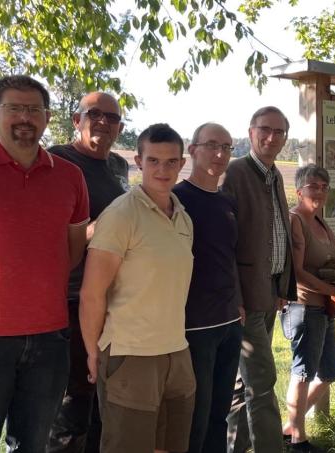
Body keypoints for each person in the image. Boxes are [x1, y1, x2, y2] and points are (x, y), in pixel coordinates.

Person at [0, 75, 89, 451]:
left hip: (49, 336)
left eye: (34, 109)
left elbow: (72, 249)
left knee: (33, 443)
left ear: (46, 117)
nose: (25, 117)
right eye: (15, 108)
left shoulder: (70, 176)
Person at [80, 123, 196, 452]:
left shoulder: (183, 217)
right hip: (131, 354)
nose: (163, 169)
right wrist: (93, 351)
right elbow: (92, 292)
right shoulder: (120, 215)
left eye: (171, 161)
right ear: (138, 161)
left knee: (171, 446)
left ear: (181, 163)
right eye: (154, 161)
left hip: (176, 350)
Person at [48, 91, 129, 453]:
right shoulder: (55, 161)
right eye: (93, 114)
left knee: (104, 399)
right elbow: (44, 231)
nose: (102, 122)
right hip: (70, 299)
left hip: (114, 298)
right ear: (75, 120)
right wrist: (100, 228)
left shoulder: (117, 167)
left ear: (120, 128)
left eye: (111, 118)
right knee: (73, 400)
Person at [281, 164, 335, 452]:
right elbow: (296, 271)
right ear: (299, 191)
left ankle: (288, 425)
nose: (319, 191)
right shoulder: (296, 220)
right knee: (303, 371)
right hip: (304, 308)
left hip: (325, 308)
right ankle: (298, 440)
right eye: (313, 186)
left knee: (329, 373)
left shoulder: (321, 222)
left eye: (324, 186)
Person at [224, 106, 297, 453]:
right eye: (265, 130)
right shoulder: (235, 173)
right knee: (263, 379)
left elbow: (279, 233)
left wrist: (282, 288)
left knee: (246, 382)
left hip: (269, 293)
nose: (272, 138)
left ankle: (233, 447)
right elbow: (224, 244)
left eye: (279, 132)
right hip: (245, 299)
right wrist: (235, 296)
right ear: (251, 132)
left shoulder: (275, 175)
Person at [172, 123, 243, 453]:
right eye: (211, 145)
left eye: (226, 147)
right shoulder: (176, 200)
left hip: (228, 324)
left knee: (220, 415)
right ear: (192, 149)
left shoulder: (227, 203)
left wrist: (238, 303)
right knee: (194, 419)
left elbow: (228, 257)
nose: (219, 154)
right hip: (193, 327)